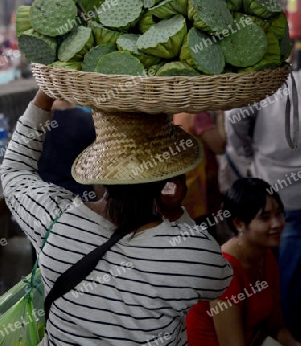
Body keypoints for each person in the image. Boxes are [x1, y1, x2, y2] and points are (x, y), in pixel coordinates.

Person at [0, 90, 233, 346]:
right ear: (171, 179)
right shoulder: (189, 252)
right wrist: (175, 212)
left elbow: (14, 168)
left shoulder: (55, 222)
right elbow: (221, 280)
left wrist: (45, 95)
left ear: (100, 169)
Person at [224, 71, 301, 341]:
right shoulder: (266, 78)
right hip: (274, 183)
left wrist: (247, 159)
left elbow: (234, 123)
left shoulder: (264, 79)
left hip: (272, 178)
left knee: (280, 258)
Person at [186, 178, 301, 346]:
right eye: (265, 217)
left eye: (279, 213)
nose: (277, 223)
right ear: (239, 223)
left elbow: (275, 327)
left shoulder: (265, 255)